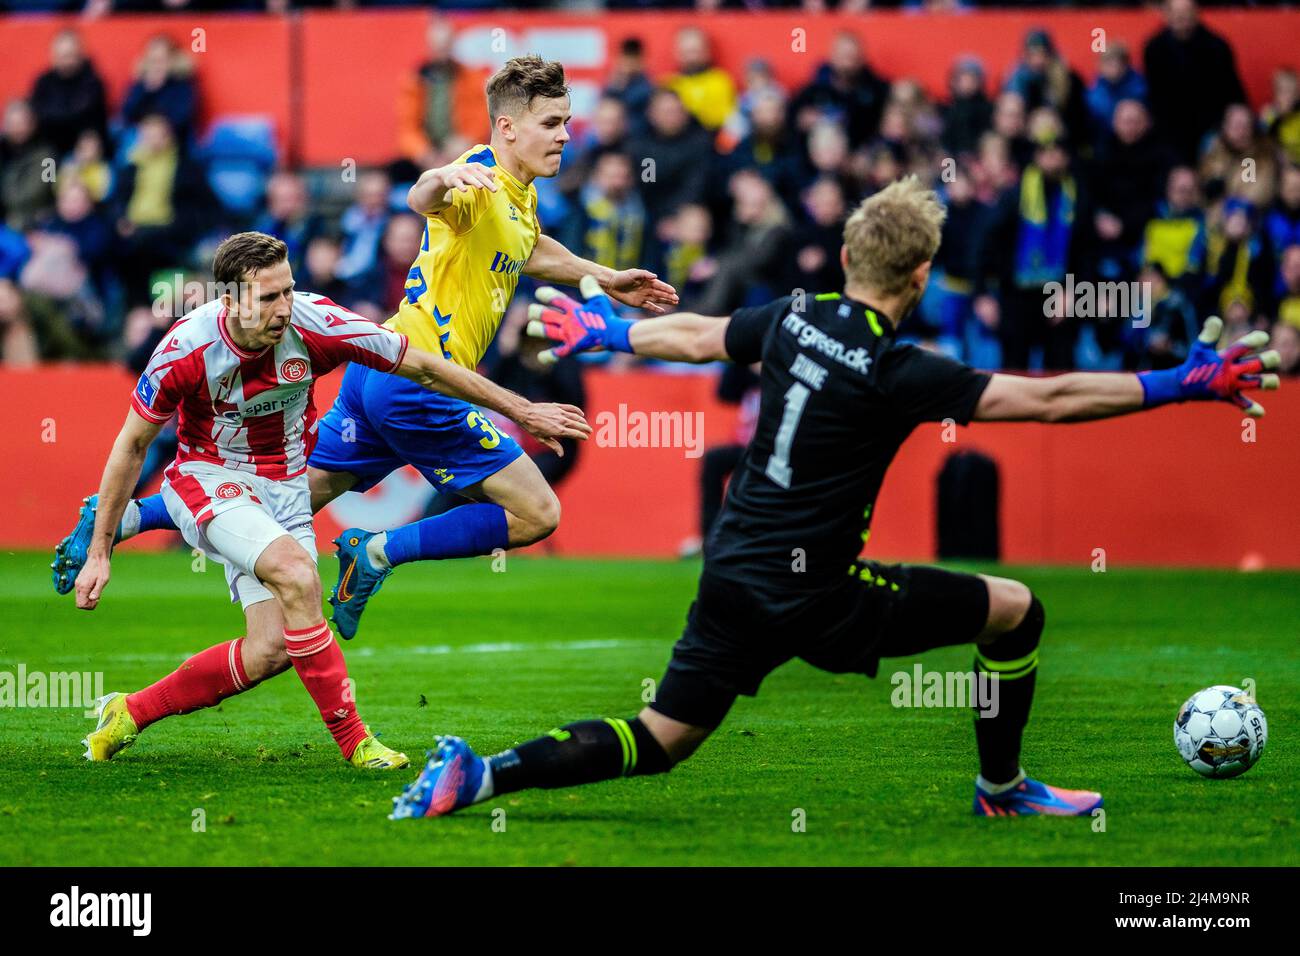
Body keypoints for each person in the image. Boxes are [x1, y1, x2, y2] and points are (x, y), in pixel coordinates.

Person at [389, 176, 1280, 820]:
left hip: (732, 571)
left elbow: (701, 336)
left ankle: (485, 775)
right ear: (921, 276)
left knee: (661, 738)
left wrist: (612, 328)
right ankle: (1002, 792)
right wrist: (1178, 383)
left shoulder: (794, 315)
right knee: (1015, 610)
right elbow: (1045, 399)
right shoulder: (903, 369)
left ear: (849, 254)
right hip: (817, 592)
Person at [52, 56, 677, 642]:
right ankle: (377, 550)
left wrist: (608, 279)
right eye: (552, 122)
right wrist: (437, 180)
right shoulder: (481, 181)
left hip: (377, 377)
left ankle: (120, 519)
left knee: (292, 494)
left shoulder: (518, 195)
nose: (566, 134)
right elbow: (425, 198)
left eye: (567, 120)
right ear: (507, 128)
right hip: (421, 383)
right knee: (538, 512)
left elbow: (530, 248)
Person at [73, 231, 590, 768]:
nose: (283, 308)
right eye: (267, 297)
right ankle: (356, 743)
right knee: (298, 575)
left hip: (287, 486)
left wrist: (523, 410)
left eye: (288, 290)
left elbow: (427, 367)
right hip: (209, 477)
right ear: (228, 300)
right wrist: (102, 551)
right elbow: (131, 444)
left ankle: (130, 712)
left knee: (270, 651)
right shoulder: (186, 348)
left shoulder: (316, 323)